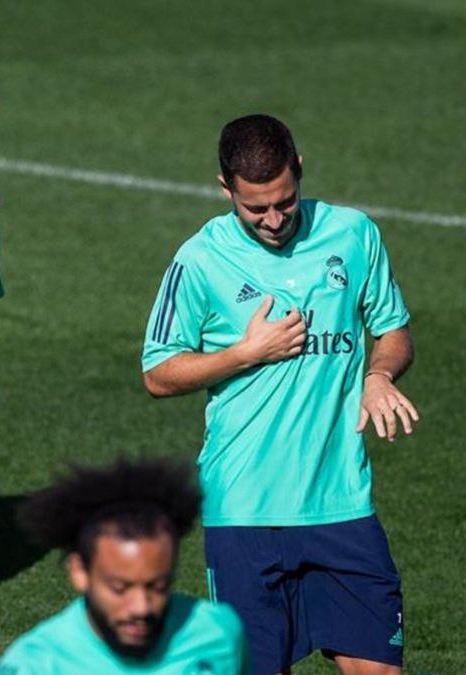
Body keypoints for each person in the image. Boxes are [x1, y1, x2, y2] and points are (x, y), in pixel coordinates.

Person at [141, 114, 417, 675]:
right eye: (255, 209)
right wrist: (244, 354)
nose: (273, 220)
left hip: (342, 501)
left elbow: (393, 331)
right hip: (245, 511)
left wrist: (379, 376)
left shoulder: (354, 234)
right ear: (226, 189)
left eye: (285, 202)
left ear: (300, 170)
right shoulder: (199, 260)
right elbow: (157, 372)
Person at [0, 458, 250, 673]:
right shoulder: (34, 665)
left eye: (158, 586)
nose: (141, 607)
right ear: (80, 572)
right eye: (120, 588)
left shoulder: (218, 633)